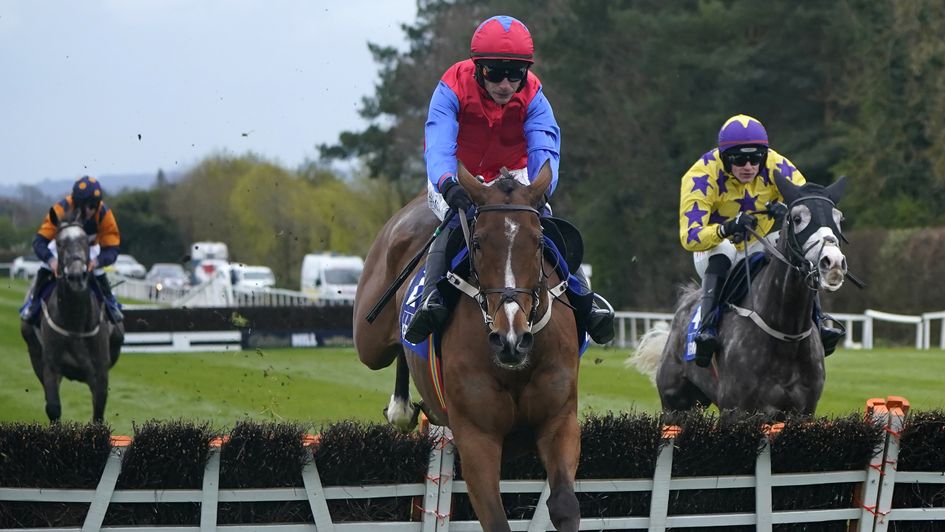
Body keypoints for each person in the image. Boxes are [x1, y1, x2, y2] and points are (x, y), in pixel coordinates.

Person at [403, 15, 615, 345]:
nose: (505, 84)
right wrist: (448, 183)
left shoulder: (533, 95)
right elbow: (440, 141)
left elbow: (544, 145)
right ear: (477, 67)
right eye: (495, 73)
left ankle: (585, 300)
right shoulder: (451, 88)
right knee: (456, 221)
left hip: (513, 176)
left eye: (515, 74)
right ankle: (433, 297)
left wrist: (538, 189)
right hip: (462, 175)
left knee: (542, 223)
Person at [679, 114, 844, 366]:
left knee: (799, 248)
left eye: (756, 158)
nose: (749, 166)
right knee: (724, 249)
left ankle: (819, 320)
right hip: (712, 247)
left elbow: (808, 202)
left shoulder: (776, 164)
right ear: (724, 158)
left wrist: (787, 210)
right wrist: (726, 229)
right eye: (739, 159)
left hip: (759, 241)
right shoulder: (700, 177)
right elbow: (690, 237)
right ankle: (707, 328)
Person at [20, 176, 124, 324]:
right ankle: (33, 303)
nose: (92, 210)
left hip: (89, 247)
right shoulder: (61, 209)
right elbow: (39, 241)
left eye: (94, 206)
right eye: (88, 206)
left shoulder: (104, 213)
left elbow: (112, 248)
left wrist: (97, 261)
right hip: (64, 245)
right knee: (44, 267)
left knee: (99, 271)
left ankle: (110, 302)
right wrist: (51, 260)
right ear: (77, 203)